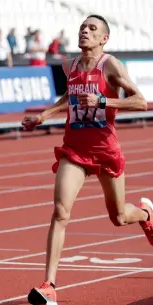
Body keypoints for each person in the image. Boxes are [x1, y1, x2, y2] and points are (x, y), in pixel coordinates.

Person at [21, 15, 153, 305]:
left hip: (105, 150)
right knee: (60, 212)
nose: (85, 31)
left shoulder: (111, 65)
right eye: (83, 27)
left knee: (119, 217)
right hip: (75, 150)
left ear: (104, 38)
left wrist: (103, 101)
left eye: (92, 29)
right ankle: (49, 286)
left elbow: (140, 101)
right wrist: (42, 117)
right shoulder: (72, 65)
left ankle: (146, 215)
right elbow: (69, 96)